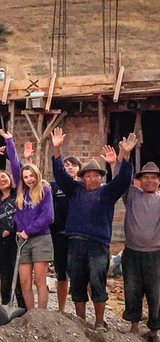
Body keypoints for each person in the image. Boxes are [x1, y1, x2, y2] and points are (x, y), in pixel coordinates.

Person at [51, 128, 135, 331]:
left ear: (101, 177)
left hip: (98, 244)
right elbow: (60, 175)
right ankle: (81, 321)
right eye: (88, 175)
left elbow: (124, 179)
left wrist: (126, 154)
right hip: (75, 243)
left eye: (96, 175)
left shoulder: (108, 192)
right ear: (82, 178)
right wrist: (56, 149)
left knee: (97, 282)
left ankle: (99, 321)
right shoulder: (75, 190)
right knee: (77, 283)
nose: (93, 179)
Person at [3, 132, 54, 310]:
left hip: (40, 239)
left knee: (39, 280)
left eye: (31, 176)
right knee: (24, 281)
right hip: (22, 241)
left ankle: (42, 315)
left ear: (36, 175)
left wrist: (28, 230)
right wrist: (9, 140)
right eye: (25, 177)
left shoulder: (44, 189)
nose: (29, 179)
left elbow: (48, 216)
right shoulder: (20, 192)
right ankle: (30, 314)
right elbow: (15, 164)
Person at [117, 160, 160, 342]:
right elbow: (121, 179)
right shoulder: (133, 195)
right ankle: (134, 327)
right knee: (132, 290)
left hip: (155, 254)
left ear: (158, 181)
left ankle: (154, 330)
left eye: (153, 177)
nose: (149, 180)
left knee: (156, 292)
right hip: (132, 252)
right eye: (145, 177)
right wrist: (123, 157)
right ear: (139, 181)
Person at [0, 169, 26, 308]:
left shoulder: (18, 195)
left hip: (18, 241)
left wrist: (12, 229)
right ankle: (6, 306)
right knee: (5, 275)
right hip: (1, 243)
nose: (1, 180)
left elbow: (23, 216)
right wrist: (1, 231)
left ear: (9, 178)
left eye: (4, 176)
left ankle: (22, 307)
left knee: (19, 275)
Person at [50, 155, 81, 313]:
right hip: (59, 235)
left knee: (83, 275)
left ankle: (84, 312)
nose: (69, 167)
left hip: (78, 236)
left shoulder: (82, 187)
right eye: (66, 165)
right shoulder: (54, 186)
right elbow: (34, 182)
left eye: (73, 165)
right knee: (62, 274)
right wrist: (28, 160)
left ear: (79, 169)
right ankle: (62, 310)